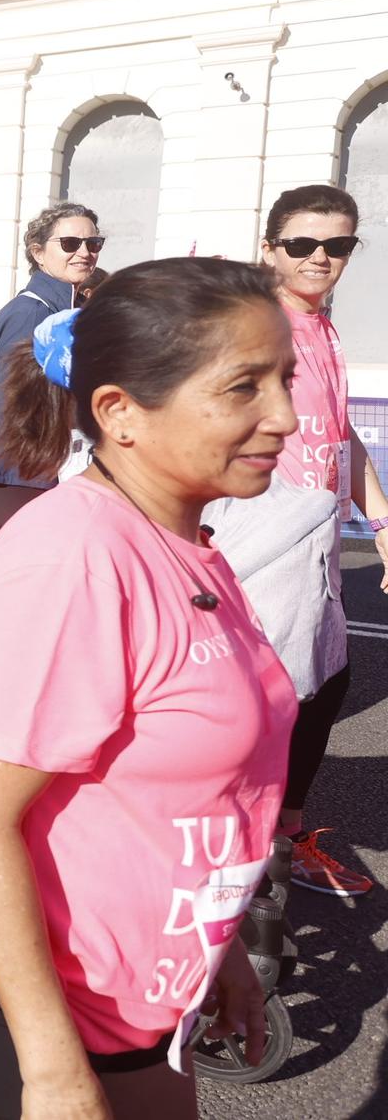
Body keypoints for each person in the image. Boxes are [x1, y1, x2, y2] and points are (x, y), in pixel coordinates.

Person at [0, 257, 294, 1120]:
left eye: (284, 377)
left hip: (141, 989)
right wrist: (51, 1067)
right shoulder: (71, 561)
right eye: (244, 387)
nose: (284, 416)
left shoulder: (183, 539)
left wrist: (215, 949)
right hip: (15, 1001)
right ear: (119, 412)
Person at [237, 184, 380, 897]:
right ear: (271, 248)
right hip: (261, 547)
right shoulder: (254, 326)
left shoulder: (320, 325)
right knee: (260, 705)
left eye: (338, 245)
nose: (321, 257)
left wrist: (382, 523)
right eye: (303, 244)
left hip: (317, 544)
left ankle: (286, 837)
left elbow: (343, 434)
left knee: (328, 688)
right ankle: (235, 851)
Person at [0, 203, 102, 537]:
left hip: (26, 469)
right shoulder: (32, 313)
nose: (84, 252)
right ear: (38, 253)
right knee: (30, 573)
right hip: (19, 472)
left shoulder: (63, 308)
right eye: (70, 244)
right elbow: (17, 402)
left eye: (93, 244)